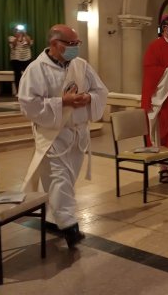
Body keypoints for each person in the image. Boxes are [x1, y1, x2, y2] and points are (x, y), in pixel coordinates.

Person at [18, 24, 108, 248]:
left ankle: (52, 219)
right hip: (53, 135)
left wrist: (87, 97)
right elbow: (28, 104)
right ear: (54, 44)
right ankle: (70, 227)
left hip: (77, 134)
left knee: (68, 179)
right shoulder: (36, 69)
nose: (76, 48)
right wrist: (62, 102)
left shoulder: (80, 65)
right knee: (59, 180)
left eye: (78, 43)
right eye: (71, 44)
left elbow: (101, 91)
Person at [141, 14, 168, 183]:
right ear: (165, 28)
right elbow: (150, 70)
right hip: (165, 99)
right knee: (165, 133)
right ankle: (164, 168)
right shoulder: (155, 46)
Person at [9, 27, 33, 92]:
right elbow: (13, 46)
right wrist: (17, 37)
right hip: (16, 59)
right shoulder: (11, 38)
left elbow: (29, 43)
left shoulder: (27, 37)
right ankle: (18, 91)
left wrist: (24, 34)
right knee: (17, 75)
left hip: (27, 58)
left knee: (28, 75)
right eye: (16, 30)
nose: (18, 31)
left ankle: (28, 91)